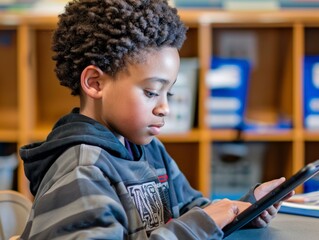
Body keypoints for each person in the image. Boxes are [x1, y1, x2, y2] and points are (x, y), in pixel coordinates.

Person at [19, 0, 291, 239]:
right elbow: (193, 225)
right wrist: (203, 222)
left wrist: (242, 210)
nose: (165, 108)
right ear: (95, 83)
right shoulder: (82, 171)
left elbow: (190, 211)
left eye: (168, 93)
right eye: (151, 92)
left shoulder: (149, 150)